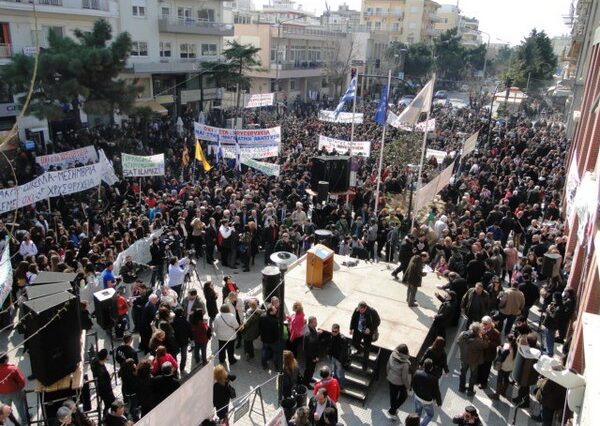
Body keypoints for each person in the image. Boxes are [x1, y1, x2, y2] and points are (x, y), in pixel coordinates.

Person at [457, 322, 486, 395]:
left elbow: (458, 342)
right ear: (478, 331)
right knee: (473, 375)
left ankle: (461, 388)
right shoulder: (478, 340)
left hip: (463, 358)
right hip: (474, 361)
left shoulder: (462, 334)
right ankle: (470, 391)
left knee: (462, 374)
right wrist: (482, 336)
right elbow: (485, 345)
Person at [349, 301, 380, 369]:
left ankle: (364, 365)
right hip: (358, 331)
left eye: (361, 310)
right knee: (355, 343)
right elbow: (353, 318)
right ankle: (360, 349)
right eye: (359, 309)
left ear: (365, 308)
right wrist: (351, 328)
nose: (359, 311)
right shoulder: (357, 310)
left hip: (367, 334)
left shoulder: (372, 312)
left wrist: (370, 329)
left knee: (367, 349)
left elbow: (378, 322)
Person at [411, 359, 442, 426]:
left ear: (423, 366)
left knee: (417, 413)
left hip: (417, 397)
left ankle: (416, 424)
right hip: (427, 401)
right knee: (430, 415)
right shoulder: (434, 379)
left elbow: (413, 384)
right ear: (431, 368)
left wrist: (416, 392)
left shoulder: (417, 373)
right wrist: (439, 402)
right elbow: (437, 392)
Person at [384, 344, 411, 420]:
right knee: (404, 396)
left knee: (393, 396)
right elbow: (404, 377)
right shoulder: (405, 364)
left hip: (391, 379)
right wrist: (408, 386)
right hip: (400, 383)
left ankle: (393, 410)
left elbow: (387, 367)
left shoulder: (392, 355)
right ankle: (392, 410)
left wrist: (388, 375)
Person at [0, 354, 27, 424]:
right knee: (20, 407)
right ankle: (24, 420)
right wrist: (20, 388)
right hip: (16, 392)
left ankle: (14, 422)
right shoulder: (12, 369)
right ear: (5, 360)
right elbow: (21, 381)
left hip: (2, 394)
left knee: (7, 410)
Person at [477, 315, 501, 390]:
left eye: (485, 324)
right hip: (480, 353)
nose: (483, 325)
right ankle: (478, 379)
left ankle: (483, 383)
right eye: (482, 323)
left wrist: (488, 342)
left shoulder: (495, 333)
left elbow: (498, 343)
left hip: (488, 355)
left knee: (485, 370)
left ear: (490, 324)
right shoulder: (480, 328)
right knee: (479, 367)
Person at [491, 333, 517, 400]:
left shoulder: (507, 349)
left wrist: (500, 350)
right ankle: (503, 392)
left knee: (499, 379)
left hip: (503, 366)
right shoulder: (516, 347)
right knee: (506, 378)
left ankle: (496, 395)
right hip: (510, 367)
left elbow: (501, 358)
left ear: (508, 340)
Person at [90, 349, 115, 415]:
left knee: (109, 403)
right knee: (109, 404)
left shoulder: (95, 361)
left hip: (101, 387)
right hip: (105, 390)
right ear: (104, 358)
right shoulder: (101, 371)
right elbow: (104, 384)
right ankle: (106, 416)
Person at [171, 307, 192, 374]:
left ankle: (175, 368)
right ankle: (182, 368)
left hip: (175, 342)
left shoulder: (172, 323)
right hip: (184, 342)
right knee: (184, 356)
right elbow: (190, 332)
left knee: (174, 356)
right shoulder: (186, 322)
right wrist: (191, 339)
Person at [259, 305, 280, 370]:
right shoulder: (274, 320)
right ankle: (276, 366)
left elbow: (259, 327)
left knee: (264, 351)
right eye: (274, 310)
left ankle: (264, 365)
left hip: (264, 339)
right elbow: (276, 332)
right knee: (276, 353)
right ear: (270, 312)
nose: (276, 311)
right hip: (273, 340)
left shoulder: (262, 317)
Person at [303, 316, 321, 387]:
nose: (316, 323)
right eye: (314, 322)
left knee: (312, 369)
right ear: (310, 323)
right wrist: (314, 357)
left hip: (313, 355)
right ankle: (306, 383)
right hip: (311, 356)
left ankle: (309, 378)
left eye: (316, 321)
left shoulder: (313, 329)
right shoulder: (309, 333)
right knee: (309, 369)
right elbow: (309, 348)